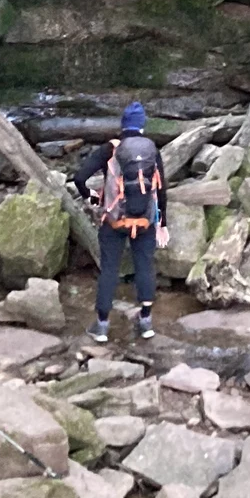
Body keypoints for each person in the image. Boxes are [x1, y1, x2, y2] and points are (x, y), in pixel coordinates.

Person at [73, 102, 167, 345]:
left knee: (110, 270)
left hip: (114, 221)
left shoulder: (110, 149)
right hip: (145, 220)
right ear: (142, 125)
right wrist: (162, 223)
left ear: (123, 125)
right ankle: (145, 322)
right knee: (144, 266)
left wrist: (92, 197)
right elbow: (161, 189)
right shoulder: (151, 150)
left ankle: (102, 326)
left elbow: (79, 178)